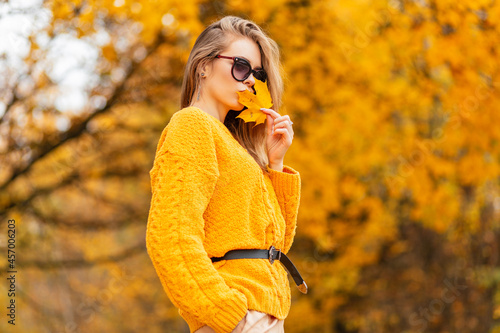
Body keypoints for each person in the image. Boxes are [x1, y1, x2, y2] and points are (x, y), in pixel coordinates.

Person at [145, 15, 305, 333]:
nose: (250, 81)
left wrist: (275, 163)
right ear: (204, 65)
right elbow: (169, 237)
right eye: (241, 66)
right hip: (239, 317)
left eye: (257, 74)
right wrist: (227, 313)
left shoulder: (235, 146)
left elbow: (277, 246)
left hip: (264, 314)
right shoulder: (192, 125)